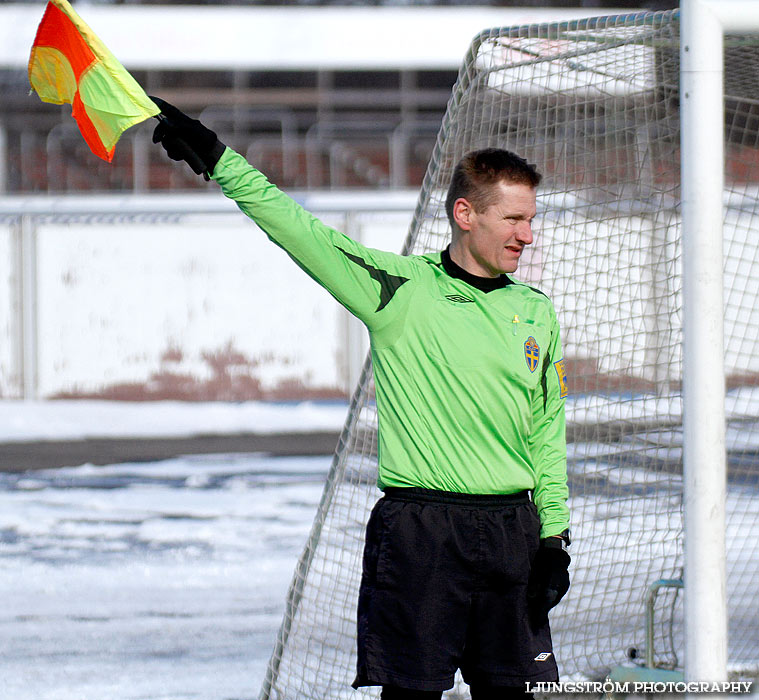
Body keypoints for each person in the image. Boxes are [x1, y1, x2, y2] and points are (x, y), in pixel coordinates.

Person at [150, 97, 571, 700]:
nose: (527, 236)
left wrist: (552, 538)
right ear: (466, 214)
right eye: (513, 220)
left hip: (513, 533)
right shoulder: (399, 291)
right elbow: (298, 229)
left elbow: (547, 429)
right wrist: (219, 159)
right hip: (422, 533)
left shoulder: (537, 311)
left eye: (531, 220)